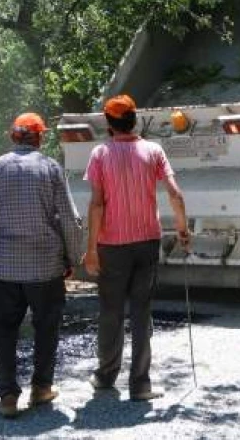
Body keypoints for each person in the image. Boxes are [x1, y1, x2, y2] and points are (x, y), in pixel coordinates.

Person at [0, 112, 85, 418]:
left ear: (13, 137)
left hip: (4, 270)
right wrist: (72, 256)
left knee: (3, 331)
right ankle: (41, 388)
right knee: (46, 329)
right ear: (39, 138)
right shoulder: (51, 168)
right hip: (46, 268)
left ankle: (7, 398)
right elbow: (70, 219)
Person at [82, 94, 190, 401]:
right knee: (142, 312)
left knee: (111, 312)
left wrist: (91, 249)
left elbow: (97, 204)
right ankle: (140, 385)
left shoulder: (100, 154)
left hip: (112, 246)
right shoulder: (154, 150)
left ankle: (105, 376)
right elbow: (175, 193)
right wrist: (182, 229)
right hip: (146, 242)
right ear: (135, 120)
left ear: (109, 123)